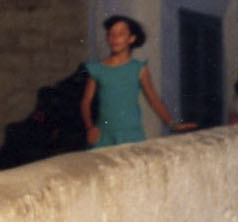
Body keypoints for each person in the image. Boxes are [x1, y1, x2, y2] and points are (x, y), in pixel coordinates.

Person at [80, 14, 192, 148]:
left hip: (131, 135)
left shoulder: (139, 69)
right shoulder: (96, 69)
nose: (115, 38)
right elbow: (86, 102)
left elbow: (154, 100)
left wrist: (172, 124)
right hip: (103, 135)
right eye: (111, 34)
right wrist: (90, 127)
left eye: (121, 34)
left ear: (131, 38)